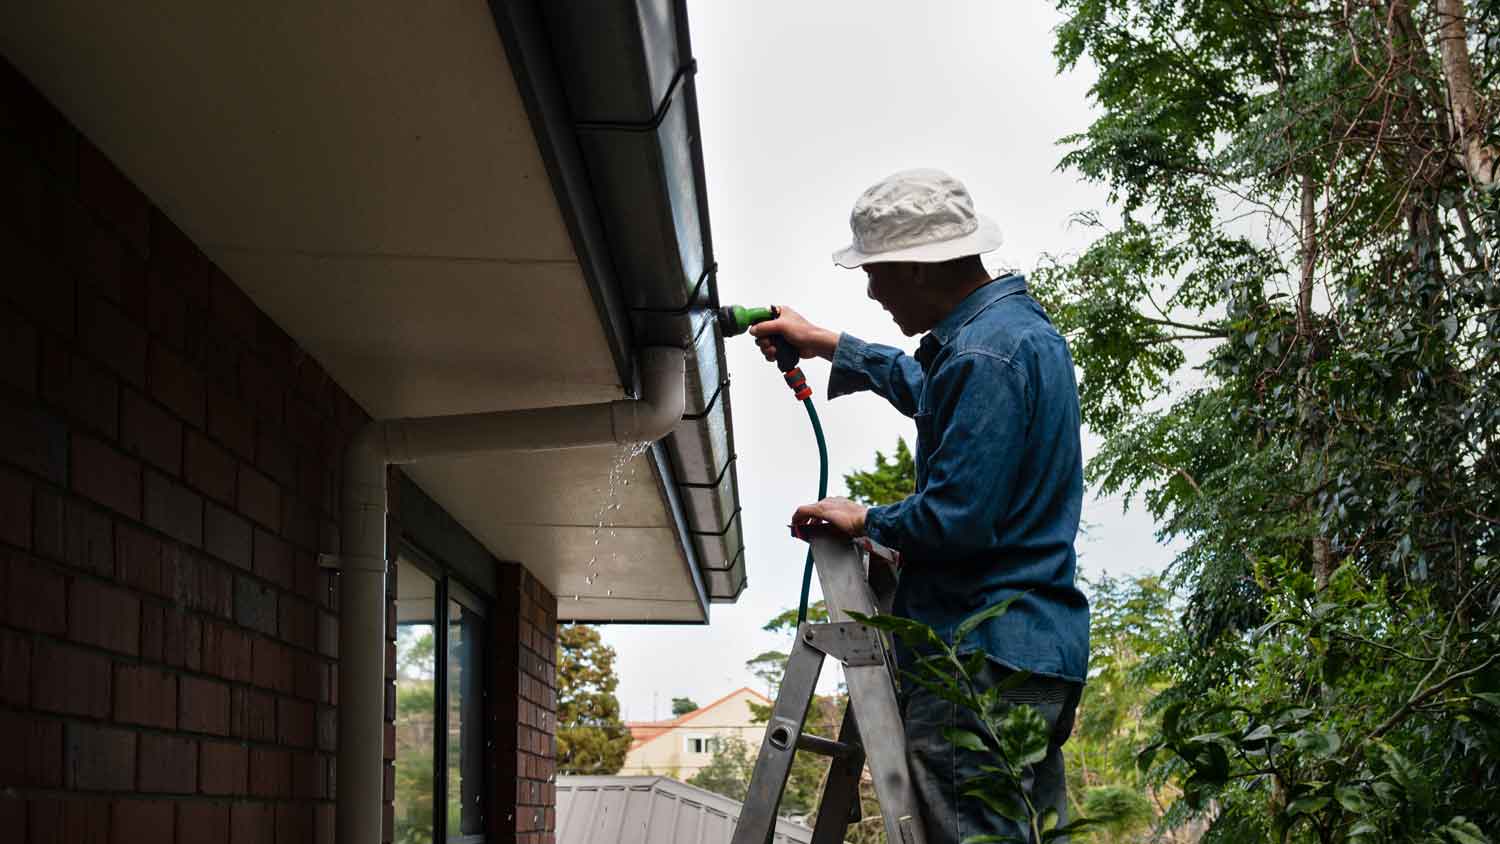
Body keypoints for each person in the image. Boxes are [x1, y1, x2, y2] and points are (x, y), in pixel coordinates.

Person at [750, 169, 1090, 843]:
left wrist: (867, 520)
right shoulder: (1009, 335)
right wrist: (830, 345)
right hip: (1031, 650)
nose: (872, 289)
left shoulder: (984, 356)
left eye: (877, 272)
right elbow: (934, 388)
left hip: (980, 655)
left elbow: (955, 520)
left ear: (918, 267)